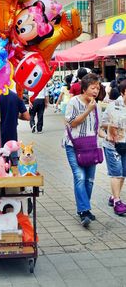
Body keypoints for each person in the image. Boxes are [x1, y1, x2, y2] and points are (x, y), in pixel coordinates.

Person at [64, 73, 101, 227]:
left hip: (90, 146)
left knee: (90, 180)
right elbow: (71, 123)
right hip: (74, 146)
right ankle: (84, 210)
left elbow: (97, 127)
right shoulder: (74, 102)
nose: (96, 90)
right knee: (79, 176)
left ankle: (83, 208)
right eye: (93, 88)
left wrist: (108, 135)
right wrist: (88, 110)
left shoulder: (95, 104)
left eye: (98, 88)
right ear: (84, 89)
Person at [101, 79, 126, 215]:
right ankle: (117, 201)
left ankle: (113, 196)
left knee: (123, 174)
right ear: (123, 92)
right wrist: (112, 128)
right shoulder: (114, 106)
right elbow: (103, 123)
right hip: (113, 145)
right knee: (116, 173)